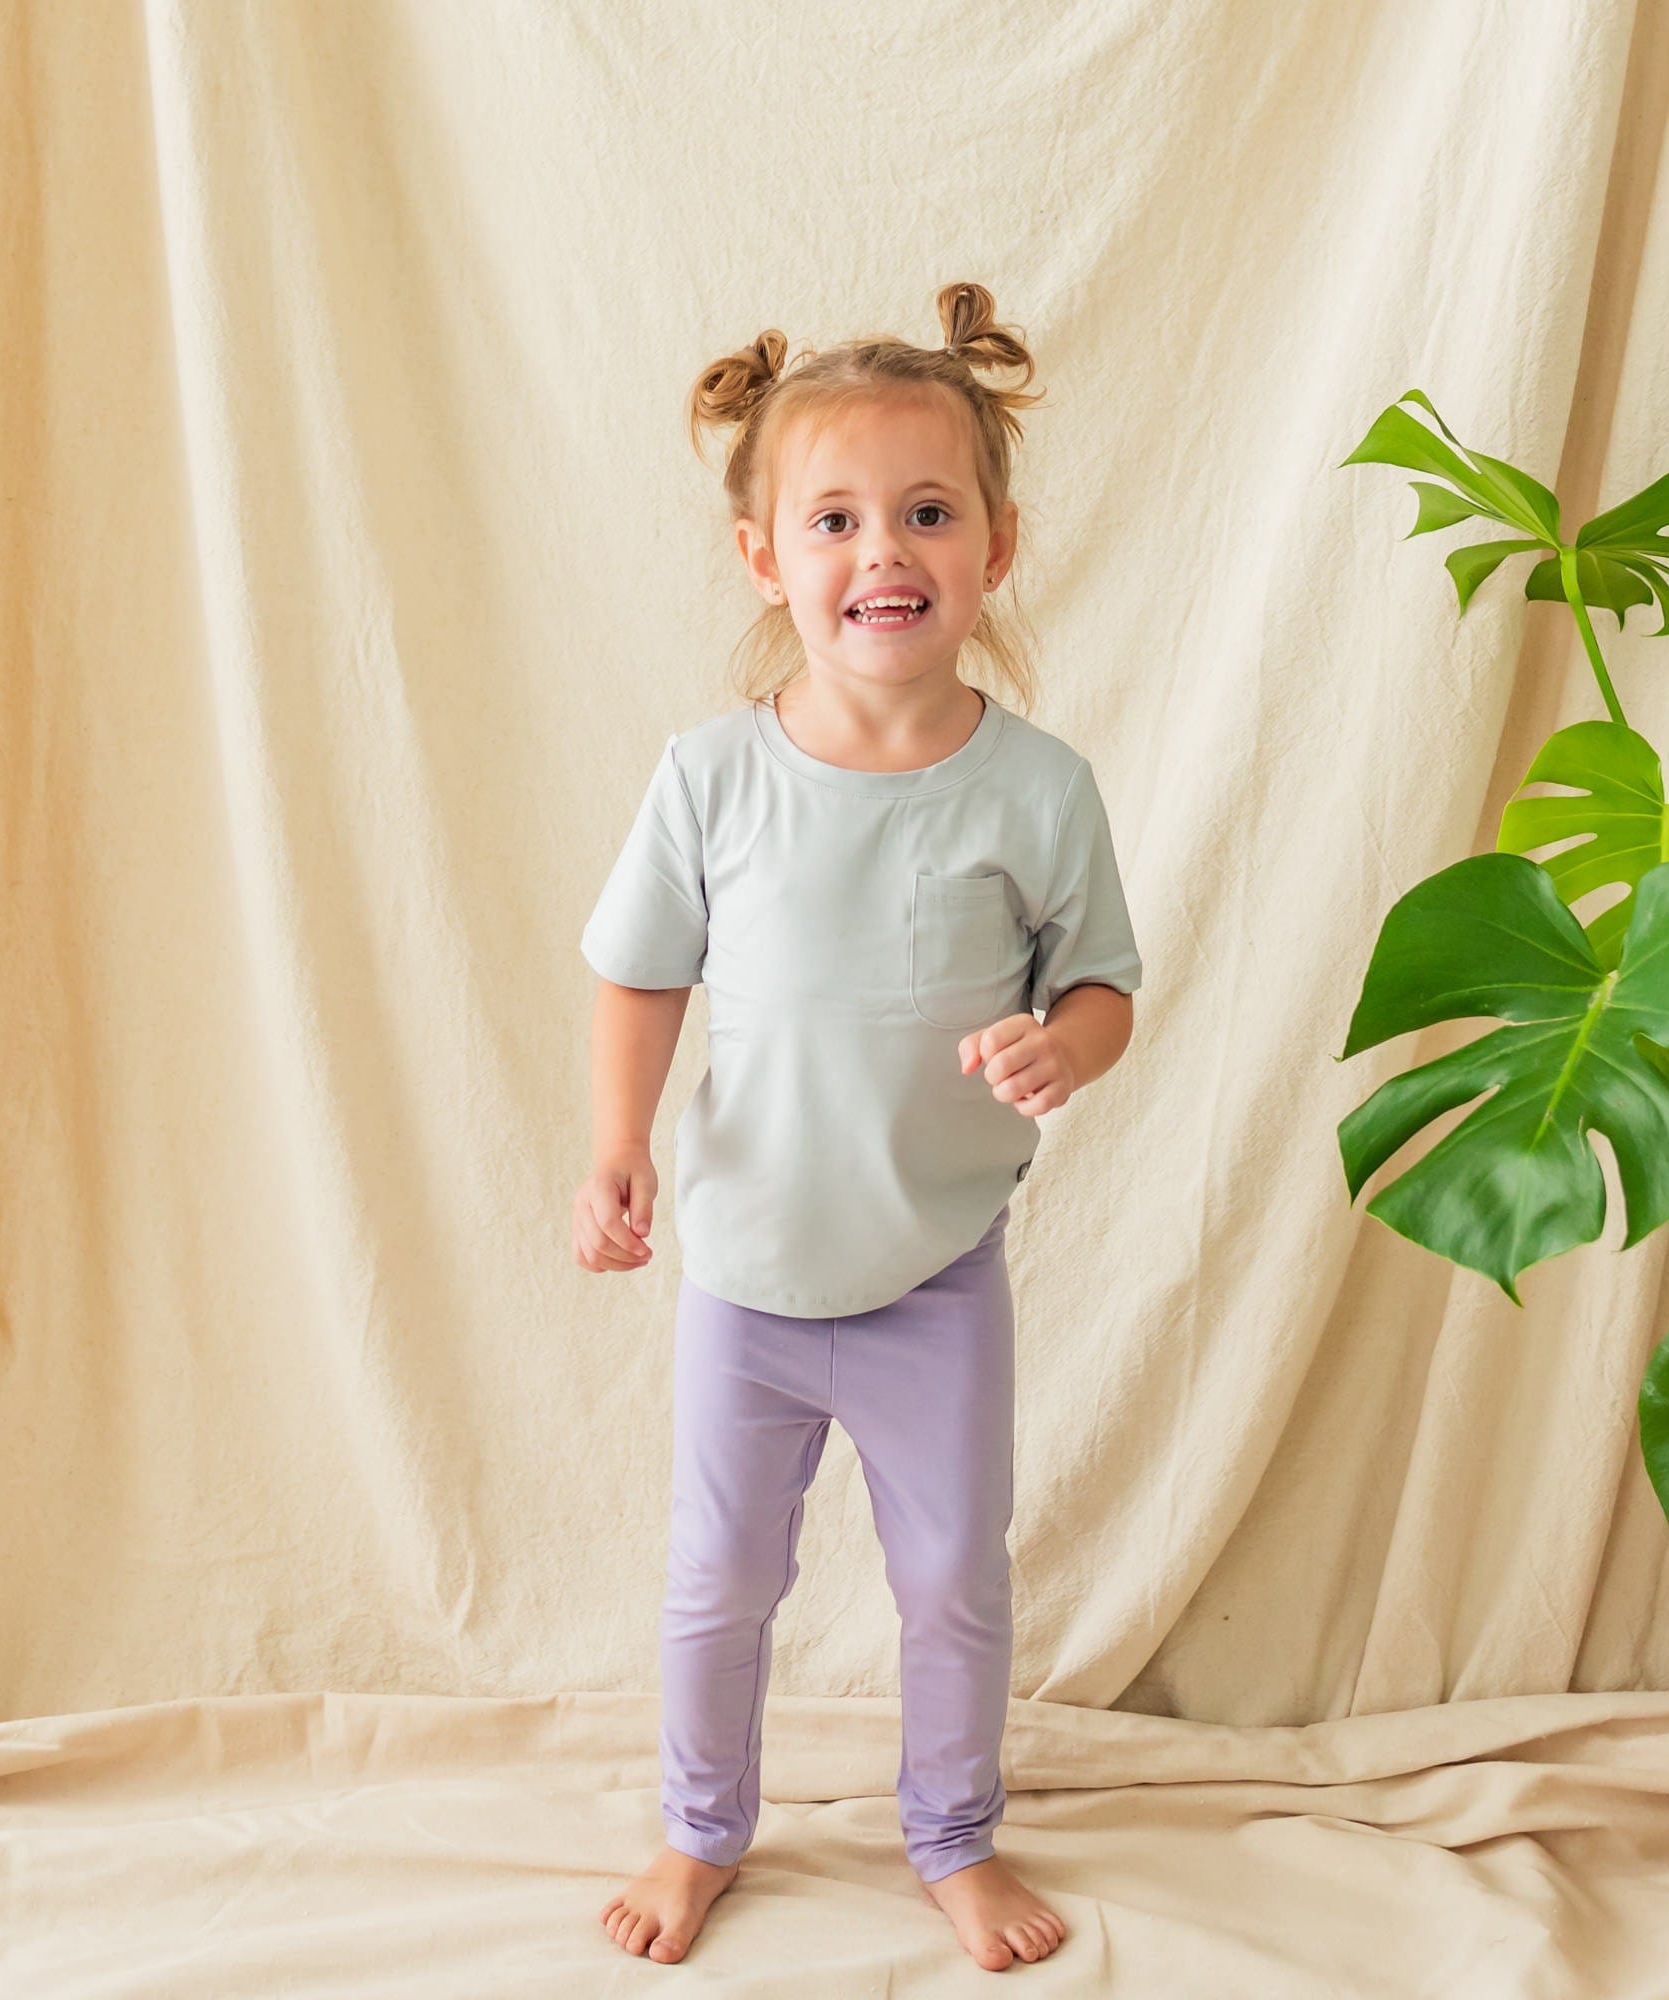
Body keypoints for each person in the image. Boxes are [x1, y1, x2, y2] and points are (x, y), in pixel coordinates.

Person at [574, 280, 1143, 1971]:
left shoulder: (1037, 788)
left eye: (926, 513)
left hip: (934, 1276)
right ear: (766, 557)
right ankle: (699, 1830)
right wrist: (617, 1145)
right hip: (746, 1279)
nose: (882, 550)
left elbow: (1104, 985)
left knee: (955, 1578)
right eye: (834, 519)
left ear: (996, 546)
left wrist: (1064, 1049)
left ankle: (953, 1836)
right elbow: (637, 972)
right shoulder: (710, 779)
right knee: (719, 1582)